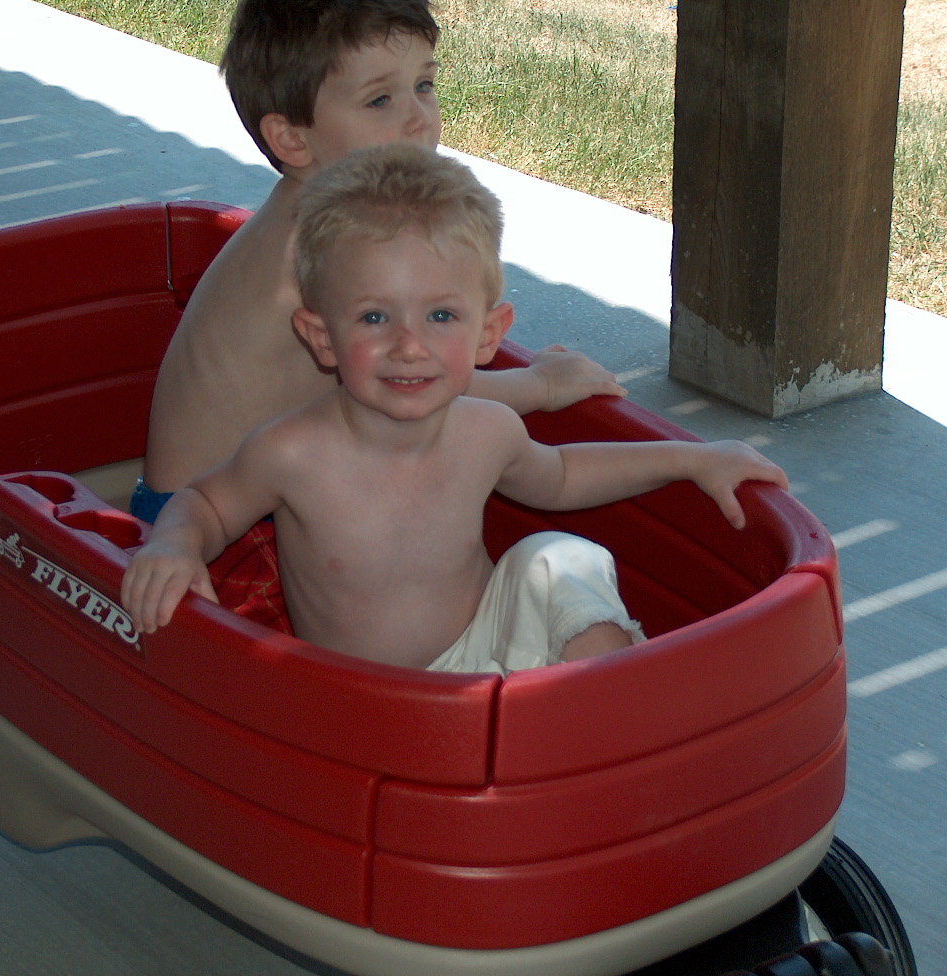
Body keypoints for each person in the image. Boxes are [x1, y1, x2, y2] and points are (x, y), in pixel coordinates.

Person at [121, 144, 789, 673]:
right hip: (362, 700)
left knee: (558, 558)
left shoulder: (487, 431)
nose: (408, 345)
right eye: (375, 316)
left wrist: (693, 458)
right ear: (322, 337)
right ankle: (571, 738)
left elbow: (563, 475)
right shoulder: (293, 452)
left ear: (489, 335)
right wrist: (175, 547)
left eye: (441, 315)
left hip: (484, 663)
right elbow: (204, 503)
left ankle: (607, 719)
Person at [137, 0, 624, 509]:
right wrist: (539, 384)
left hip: (221, 499)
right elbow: (426, 383)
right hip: (211, 529)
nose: (419, 119)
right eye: (379, 101)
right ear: (292, 138)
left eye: (424, 86)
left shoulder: (317, 216)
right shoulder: (326, 248)